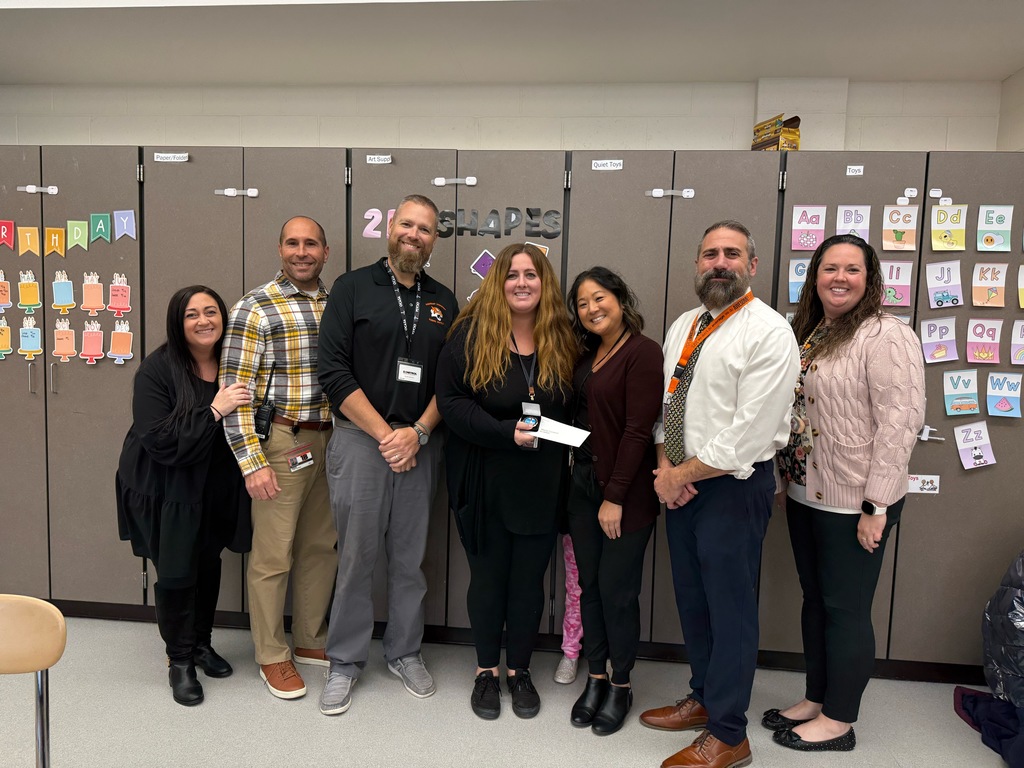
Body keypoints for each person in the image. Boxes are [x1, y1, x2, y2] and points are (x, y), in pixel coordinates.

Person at [640, 220, 799, 768]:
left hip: (732, 488)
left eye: (732, 254)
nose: (719, 263)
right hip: (682, 485)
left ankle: (731, 734)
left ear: (752, 265)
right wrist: (666, 466)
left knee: (730, 611)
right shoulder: (686, 324)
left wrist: (678, 477)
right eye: (709, 254)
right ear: (697, 264)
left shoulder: (769, 332)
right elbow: (667, 405)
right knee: (694, 600)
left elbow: (749, 435)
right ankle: (706, 699)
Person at [765, 234, 925, 753]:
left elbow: (900, 424)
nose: (840, 278)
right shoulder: (811, 331)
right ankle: (817, 697)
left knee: (846, 608)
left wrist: (876, 506)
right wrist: (788, 482)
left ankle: (839, 719)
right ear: (815, 276)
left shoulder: (887, 335)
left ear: (870, 278)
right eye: (830, 268)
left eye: (852, 269)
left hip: (856, 499)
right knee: (817, 602)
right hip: (808, 491)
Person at [316, 194, 458, 716]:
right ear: (389, 227)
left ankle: (403, 651)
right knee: (356, 558)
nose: (414, 235)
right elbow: (333, 371)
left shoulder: (445, 300)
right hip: (362, 441)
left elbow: (453, 380)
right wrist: (386, 435)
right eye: (407, 225)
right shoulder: (352, 288)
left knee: (409, 558)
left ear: (433, 240)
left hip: (419, 445)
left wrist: (417, 433)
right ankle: (346, 662)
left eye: (425, 229)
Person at [436, 242, 576, 721]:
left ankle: (520, 670)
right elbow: (452, 404)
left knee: (528, 583)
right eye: (512, 274)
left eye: (531, 274)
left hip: (541, 481)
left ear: (544, 283)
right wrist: (503, 432)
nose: (521, 282)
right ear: (498, 282)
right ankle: (485, 672)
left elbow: (574, 405)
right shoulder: (470, 335)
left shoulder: (563, 336)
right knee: (489, 578)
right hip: (483, 478)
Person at [116, 285, 252, 706]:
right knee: (176, 572)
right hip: (165, 488)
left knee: (208, 564)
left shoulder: (231, 364)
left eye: (211, 311)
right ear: (179, 323)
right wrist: (215, 409)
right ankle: (179, 662)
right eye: (192, 314)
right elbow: (160, 440)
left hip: (212, 485)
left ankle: (201, 644)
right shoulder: (157, 370)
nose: (203, 320)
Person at [221, 216, 337, 701]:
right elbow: (235, 392)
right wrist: (252, 462)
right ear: (280, 248)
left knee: (320, 547)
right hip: (282, 442)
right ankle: (272, 654)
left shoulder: (338, 304)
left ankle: (310, 640)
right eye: (293, 242)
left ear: (325, 252)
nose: (302, 251)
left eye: (311, 243)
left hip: (330, 440)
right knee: (273, 556)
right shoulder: (255, 307)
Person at [564, 267, 664, 735]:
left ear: (621, 299)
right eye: (582, 303)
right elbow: (584, 423)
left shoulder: (643, 353)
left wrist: (616, 496)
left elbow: (637, 431)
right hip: (582, 487)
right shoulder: (586, 355)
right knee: (589, 586)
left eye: (599, 297)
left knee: (617, 592)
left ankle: (621, 684)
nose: (591, 309)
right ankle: (597, 675)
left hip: (625, 495)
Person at [554, 537, 583, 685]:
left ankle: (611, 656)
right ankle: (570, 653)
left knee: (612, 589)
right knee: (574, 589)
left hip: (619, 522)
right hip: (577, 520)